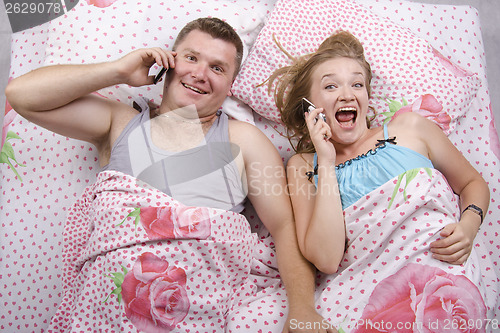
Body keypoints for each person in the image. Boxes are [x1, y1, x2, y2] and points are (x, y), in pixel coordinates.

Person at [5, 17, 333, 332]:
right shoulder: (119, 123)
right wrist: (118, 70)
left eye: (217, 68)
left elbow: (284, 226)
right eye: (191, 58)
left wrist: (302, 309)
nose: (200, 74)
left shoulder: (242, 140)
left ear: (231, 85)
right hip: (101, 317)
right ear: (170, 63)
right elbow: (22, 96)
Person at [264, 30, 494, 330]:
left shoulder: (412, 127)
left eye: (357, 84)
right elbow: (327, 258)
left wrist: (469, 225)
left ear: (367, 97)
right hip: (366, 294)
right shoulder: (304, 166)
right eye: (331, 86)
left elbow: (473, 183)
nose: (347, 94)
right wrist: (327, 161)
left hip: (441, 279)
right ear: (311, 107)